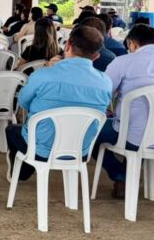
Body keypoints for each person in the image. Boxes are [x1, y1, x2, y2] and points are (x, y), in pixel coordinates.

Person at [90, 24, 154, 198]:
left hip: (132, 136)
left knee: (89, 131)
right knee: (144, 129)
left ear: (132, 44)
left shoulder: (123, 62)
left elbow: (102, 93)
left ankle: (120, 175)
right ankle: (130, 174)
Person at [6, 26, 112, 181]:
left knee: (12, 130)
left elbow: (23, 101)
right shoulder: (105, 82)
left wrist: (49, 69)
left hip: (41, 148)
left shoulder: (43, 75)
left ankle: (21, 173)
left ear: (67, 45)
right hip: (79, 149)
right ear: (96, 56)